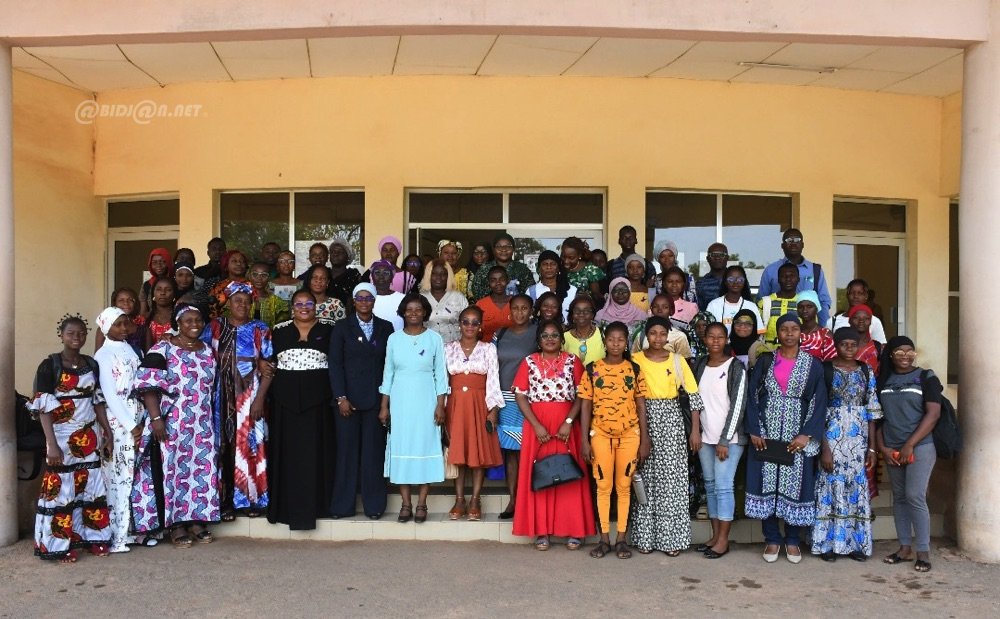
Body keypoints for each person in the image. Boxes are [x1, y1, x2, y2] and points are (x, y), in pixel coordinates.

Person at [132, 304, 219, 547]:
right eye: (188, 320)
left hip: (202, 424)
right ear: (178, 323)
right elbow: (147, 384)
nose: (195, 324)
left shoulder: (208, 350)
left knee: (199, 471)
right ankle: (176, 525)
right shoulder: (163, 348)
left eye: (198, 320)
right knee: (173, 471)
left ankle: (196, 520)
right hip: (172, 421)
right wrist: (156, 418)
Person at [28, 315, 113, 561]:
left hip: (88, 436)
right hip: (61, 438)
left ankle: (92, 538)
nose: (76, 338)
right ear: (61, 335)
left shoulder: (91, 364)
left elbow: (97, 401)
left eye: (81, 333)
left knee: (91, 488)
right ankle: (59, 546)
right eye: (71, 333)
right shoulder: (49, 365)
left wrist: (106, 432)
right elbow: (43, 407)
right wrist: (51, 445)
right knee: (62, 492)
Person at [745, 313, 827, 564]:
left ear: (800, 333)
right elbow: (752, 395)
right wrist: (755, 429)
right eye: (784, 329)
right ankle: (772, 538)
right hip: (767, 432)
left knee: (796, 484)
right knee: (766, 483)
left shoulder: (813, 364)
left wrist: (806, 434)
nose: (789, 333)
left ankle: (792, 539)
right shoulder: (766, 361)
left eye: (794, 329)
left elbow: (819, 399)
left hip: (796, 433)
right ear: (777, 333)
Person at [511, 319, 595, 550]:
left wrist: (569, 421)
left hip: (566, 427)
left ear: (562, 339)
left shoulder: (572, 361)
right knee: (541, 476)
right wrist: (536, 425)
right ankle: (541, 531)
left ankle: (575, 530)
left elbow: (582, 394)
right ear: (538, 340)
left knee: (569, 475)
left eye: (555, 335)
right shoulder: (528, 362)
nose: (550, 339)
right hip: (537, 427)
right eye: (545, 336)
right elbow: (520, 395)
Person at [630, 316, 703, 556]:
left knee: (672, 482)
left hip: (671, 421)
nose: (658, 338)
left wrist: (694, 430)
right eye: (653, 334)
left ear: (669, 336)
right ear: (646, 336)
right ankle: (645, 538)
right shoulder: (635, 360)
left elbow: (693, 397)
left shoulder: (678, 361)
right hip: (642, 419)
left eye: (663, 334)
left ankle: (672, 540)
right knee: (645, 479)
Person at [579, 321, 651, 559]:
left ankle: (621, 538)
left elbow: (641, 404)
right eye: (611, 339)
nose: (616, 344)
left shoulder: (634, 369)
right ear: (604, 342)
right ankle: (604, 538)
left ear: (626, 342)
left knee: (623, 486)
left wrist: (644, 439)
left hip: (630, 435)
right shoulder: (592, 369)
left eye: (621, 339)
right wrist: (584, 439)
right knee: (603, 486)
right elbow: (585, 405)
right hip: (599, 434)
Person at [203, 282, 273, 521]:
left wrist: (259, 400)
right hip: (218, 398)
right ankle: (223, 502)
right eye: (237, 301)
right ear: (228, 303)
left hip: (249, 398)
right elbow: (199, 355)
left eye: (246, 301)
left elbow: (269, 367)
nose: (242, 305)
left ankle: (250, 498)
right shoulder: (214, 327)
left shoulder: (260, 329)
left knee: (248, 446)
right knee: (221, 446)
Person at [267, 290, 336, 530]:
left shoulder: (329, 329)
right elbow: (268, 362)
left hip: (319, 404)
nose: (304, 307)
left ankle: (319, 507)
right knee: (288, 457)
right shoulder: (279, 330)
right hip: (285, 404)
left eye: (308, 303)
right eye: (299, 303)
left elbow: (336, 363)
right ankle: (286, 509)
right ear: (292, 306)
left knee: (317, 455)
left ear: (315, 305)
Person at [812, 327, 882, 562]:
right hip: (832, 438)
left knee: (855, 490)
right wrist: (825, 448)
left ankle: (855, 545)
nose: (850, 349)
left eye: (854, 345)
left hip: (858, 440)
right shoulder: (824, 370)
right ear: (836, 345)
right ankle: (828, 545)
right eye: (845, 345)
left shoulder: (865, 370)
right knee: (831, 488)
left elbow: (872, 410)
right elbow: (818, 411)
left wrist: (872, 448)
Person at [379, 294, 449, 524]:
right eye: (409, 309)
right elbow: (388, 373)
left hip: (426, 402)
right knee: (402, 448)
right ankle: (406, 504)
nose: (413, 313)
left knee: (424, 446)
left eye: (418, 309)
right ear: (403, 312)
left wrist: (441, 405)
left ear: (425, 312)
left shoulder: (434, 339)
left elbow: (441, 374)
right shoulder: (393, 339)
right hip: (400, 403)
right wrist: (384, 406)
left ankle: (422, 503)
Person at [328, 283, 394, 520]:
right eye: (360, 298)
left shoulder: (385, 328)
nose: (364, 301)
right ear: (354, 301)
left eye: (369, 298)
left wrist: (386, 403)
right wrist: (341, 398)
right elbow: (334, 364)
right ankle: (342, 506)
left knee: (372, 455)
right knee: (346, 454)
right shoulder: (342, 327)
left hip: (376, 402)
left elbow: (390, 365)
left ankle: (374, 506)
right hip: (347, 403)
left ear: (374, 301)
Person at [876, 336, 941, 573]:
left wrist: (910, 444)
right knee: (900, 497)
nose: (905, 355)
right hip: (892, 448)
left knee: (915, 495)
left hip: (920, 446)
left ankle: (923, 551)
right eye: (899, 351)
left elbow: (933, 414)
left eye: (909, 351)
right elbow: (879, 418)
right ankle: (904, 548)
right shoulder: (883, 379)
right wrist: (883, 448)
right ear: (891, 355)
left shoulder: (926, 376)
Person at [690, 322, 748, 559]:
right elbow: (693, 399)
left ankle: (723, 540)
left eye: (720, 337)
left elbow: (738, 406)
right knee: (711, 486)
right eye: (711, 336)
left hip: (729, 439)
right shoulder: (700, 364)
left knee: (724, 486)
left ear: (726, 340)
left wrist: (725, 439)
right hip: (705, 437)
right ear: (704, 339)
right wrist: (695, 431)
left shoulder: (736, 367)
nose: (715, 341)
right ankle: (715, 536)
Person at [444, 306, 504, 521]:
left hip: (479, 403)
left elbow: (493, 380)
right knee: (458, 453)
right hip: (456, 404)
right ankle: (459, 499)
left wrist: (493, 409)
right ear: (459, 324)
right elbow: (442, 381)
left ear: (481, 326)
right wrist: (442, 408)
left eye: (475, 322)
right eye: (465, 322)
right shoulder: (448, 348)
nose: (470, 326)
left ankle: (475, 500)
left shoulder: (488, 349)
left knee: (477, 453)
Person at [93, 307, 144, 553]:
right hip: (119, 421)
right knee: (118, 476)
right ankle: (117, 536)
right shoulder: (103, 355)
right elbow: (110, 396)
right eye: (118, 325)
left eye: (126, 323)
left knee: (133, 477)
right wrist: (132, 425)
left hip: (136, 414)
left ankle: (132, 531)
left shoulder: (131, 349)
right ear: (106, 328)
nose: (124, 328)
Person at [493, 295, 537, 519]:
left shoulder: (539, 333)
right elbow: (492, 368)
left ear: (531, 311)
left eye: (524, 309)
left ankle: (530, 499)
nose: (520, 313)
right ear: (510, 310)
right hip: (505, 399)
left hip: (531, 399)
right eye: (516, 309)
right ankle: (514, 500)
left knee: (531, 451)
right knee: (511, 453)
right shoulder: (499, 334)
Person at [757, 228, 833, 326]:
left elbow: (823, 302)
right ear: (782, 246)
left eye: (797, 240)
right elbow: (762, 301)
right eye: (789, 240)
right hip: (777, 329)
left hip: (807, 329)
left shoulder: (815, 270)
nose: (793, 243)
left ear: (803, 245)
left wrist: (823, 329)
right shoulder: (770, 270)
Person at [469, 233, 535, 300]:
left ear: (513, 249)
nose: (503, 249)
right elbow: (476, 293)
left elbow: (531, 293)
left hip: (516, 309)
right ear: (494, 249)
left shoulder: (522, 269)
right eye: (499, 246)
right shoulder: (483, 269)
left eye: (508, 246)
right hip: (490, 308)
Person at [420, 259, 468, 344]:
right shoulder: (420, 298)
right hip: (428, 348)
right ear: (429, 275)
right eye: (434, 274)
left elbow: (468, 325)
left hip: (454, 350)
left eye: (443, 274)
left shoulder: (459, 298)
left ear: (448, 276)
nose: (438, 277)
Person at [706, 265, 764, 334]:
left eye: (740, 280)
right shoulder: (713, 305)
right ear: (725, 281)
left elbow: (759, 332)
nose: (735, 282)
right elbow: (708, 332)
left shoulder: (751, 306)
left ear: (744, 282)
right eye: (731, 279)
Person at [830, 279, 888, 344]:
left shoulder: (874, 321)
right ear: (847, 295)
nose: (856, 296)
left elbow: (881, 347)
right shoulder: (832, 321)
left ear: (866, 296)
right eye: (852, 293)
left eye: (860, 293)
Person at [758, 262, 800, 350]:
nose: (788, 279)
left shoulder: (803, 304)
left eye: (792, 276)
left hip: (796, 354)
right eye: (784, 276)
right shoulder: (765, 302)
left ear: (798, 279)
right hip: (767, 352)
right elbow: (756, 330)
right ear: (778, 279)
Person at [526, 250, 575, 323]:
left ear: (558, 268)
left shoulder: (572, 290)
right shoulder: (531, 291)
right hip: (539, 333)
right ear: (539, 268)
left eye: (553, 264)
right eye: (545, 264)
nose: (549, 267)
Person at [94, 287, 145, 354]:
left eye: (130, 300)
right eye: (121, 300)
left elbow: (148, 355)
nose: (126, 303)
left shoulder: (143, 329)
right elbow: (98, 354)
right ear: (115, 303)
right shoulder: (104, 328)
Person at [475, 265, 514, 342]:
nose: (498, 283)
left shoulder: (515, 303)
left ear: (508, 280)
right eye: (493, 280)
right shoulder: (481, 304)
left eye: (502, 279)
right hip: (487, 350)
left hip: (512, 349)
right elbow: (476, 332)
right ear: (488, 283)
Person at [207, 250, 250, 318]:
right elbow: (212, 312)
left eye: (242, 261)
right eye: (234, 261)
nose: (239, 264)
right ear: (226, 266)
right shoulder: (218, 287)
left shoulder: (252, 285)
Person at [653, 240, 697, 305]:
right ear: (658, 259)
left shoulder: (688, 278)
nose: (667, 259)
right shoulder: (655, 280)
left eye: (670, 256)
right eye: (662, 256)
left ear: (675, 257)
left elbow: (693, 302)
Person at [564, 296, 605, 366]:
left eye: (586, 311)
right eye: (577, 310)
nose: (581, 314)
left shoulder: (602, 334)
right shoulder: (564, 337)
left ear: (592, 315)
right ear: (572, 315)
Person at [248, 261, 290, 329]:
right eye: (255, 274)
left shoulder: (277, 301)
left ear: (269, 278)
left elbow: (283, 326)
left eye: (264, 275)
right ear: (249, 276)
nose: (259, 278)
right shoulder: (241, 298)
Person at [561, 236, 603, 301]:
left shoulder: (589, 269)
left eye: (571, 258)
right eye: (563, 256)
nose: (566, 261)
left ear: (579, 255)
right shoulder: (558, 268)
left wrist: (588, 295)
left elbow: (596, 295)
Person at [797, 290, 836, 362]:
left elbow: (830, 365)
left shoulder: (825, 335)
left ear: (817, 308)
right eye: (801, 307)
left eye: (809, 306)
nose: (805, 310)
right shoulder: (793, 332)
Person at [144, 277, 178, 351]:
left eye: (168, 290)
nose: (163, 293)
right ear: (153, 293)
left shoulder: (180, 317)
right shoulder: (145, 318)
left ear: (174, 294)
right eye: (159, 289)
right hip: (151, 360)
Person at [370, 259, 406, 331]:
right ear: (372, 277)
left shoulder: (403, 298)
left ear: (392, 277)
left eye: (386, 273)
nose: (381, 276)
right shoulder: (366, 299)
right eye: (377, 273)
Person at [327, 237, 361, 309]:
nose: (335, 254)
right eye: (333, 251)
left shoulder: (353, 276)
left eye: (340, 252)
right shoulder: (324, 274)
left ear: (347, 257)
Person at [139, 247, 174, 316]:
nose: (159, 266)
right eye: (154, 263)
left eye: (163, 262)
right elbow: (143, 313)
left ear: (169, 262)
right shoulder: (146, 285)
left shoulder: (176, 283)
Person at [696, 243, 730, 312]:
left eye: (721, 255)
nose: (717, 257)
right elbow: (700, 311)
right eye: (713, 255)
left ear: (727, 258)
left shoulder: (737, 281)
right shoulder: (701, 284)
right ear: (707, 259)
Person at [849, 304, 881, 375]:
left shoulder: (877, 347)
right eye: (856, 318)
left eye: (866, 318)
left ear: (870, 321)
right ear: (849, 321)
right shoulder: (842, 345)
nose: (861, 321)